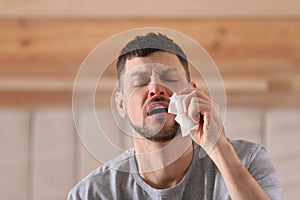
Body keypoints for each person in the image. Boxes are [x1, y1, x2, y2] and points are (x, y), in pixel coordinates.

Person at [68, 32, 281, 200]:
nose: (156, 89)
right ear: (121, 104)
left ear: (192, 92)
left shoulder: (248, 161)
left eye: (169, 78)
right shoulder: (91, 194)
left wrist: (218, 147)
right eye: (140, 82)